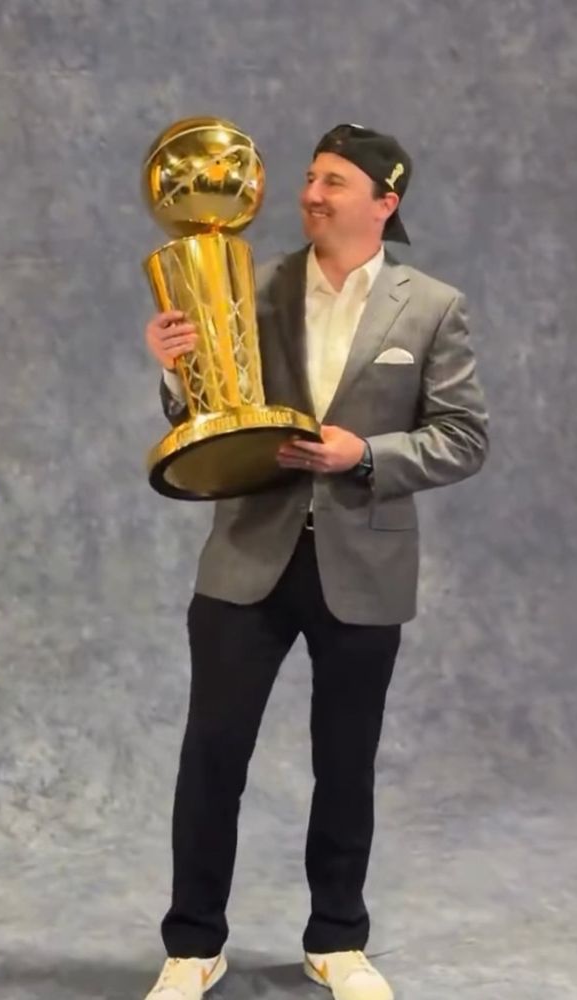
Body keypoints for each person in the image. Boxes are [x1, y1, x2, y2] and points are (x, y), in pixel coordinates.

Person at [141, 123, 489, 1000]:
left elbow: (462, 439)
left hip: (363, 565)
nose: (310, 193)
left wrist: (362, 455)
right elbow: (212, 409)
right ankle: (192, 945)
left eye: (333, 181)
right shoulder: (249, 286)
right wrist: (176, 372)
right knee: (212, 753)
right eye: (308, 177)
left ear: (384, 201)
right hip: (245, 559)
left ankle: (336, 939)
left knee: (346, 759)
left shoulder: (433, 306)